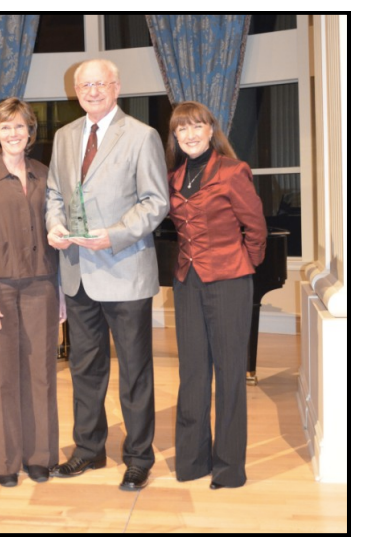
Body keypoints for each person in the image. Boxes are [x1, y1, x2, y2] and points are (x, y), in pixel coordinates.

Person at [46, 59, 169, 491]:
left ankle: (138, 456)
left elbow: (156, 202)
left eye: (100, 83)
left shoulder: (142, 135)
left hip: (125, 270)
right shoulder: (63, 137)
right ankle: (88, 450)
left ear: (116, 87)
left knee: (135, 369)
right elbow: (55, 193)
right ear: (75, 91)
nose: (92, 90)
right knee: (84, 367)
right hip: (77, 272)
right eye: (85, 85)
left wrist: (113, 235)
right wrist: (53, 226)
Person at [0, 98, 65, 488]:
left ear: (30, 131)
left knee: (41, 374)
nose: (14, 133)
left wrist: (61, 290)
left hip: (40, 284)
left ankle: (40, 457)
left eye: (20, 126)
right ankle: (4, 461)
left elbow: (56, 231)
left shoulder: (43, 173)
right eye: (6, 127)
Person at [166, 101, 267, 489]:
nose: (190, 135)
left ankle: (228, 467)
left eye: (197, 127)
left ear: (211, 130)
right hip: (187, 280)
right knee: (192, 373)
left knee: (228, 375)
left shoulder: (231, 171)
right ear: (175, 137)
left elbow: (255, 228)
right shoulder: (173, 177)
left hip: (228, 281)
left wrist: (243, 265)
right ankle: (192, 461)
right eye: (182, 129)